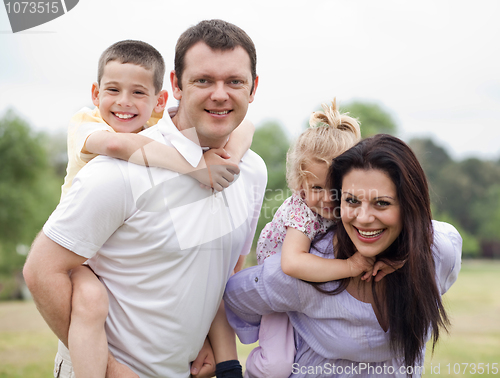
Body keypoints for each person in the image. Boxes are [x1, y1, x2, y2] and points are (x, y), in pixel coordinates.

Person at [23, 19, 266, 378]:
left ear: (253, 87)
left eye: (234, 81)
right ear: (176, 85)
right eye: (203, 80)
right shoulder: (117, 172)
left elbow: (224, 270)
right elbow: (41, 271)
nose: (220, 94)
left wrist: (211, 344)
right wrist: (109, 368)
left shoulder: (253, 171)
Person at [224, 134, 462, 377]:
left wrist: (406, 255)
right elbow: (231, 296)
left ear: (409, 204)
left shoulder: (438, 253)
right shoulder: (306, 269)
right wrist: (224, 361)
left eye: (381, 203)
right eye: (352, 201)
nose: (364, 217)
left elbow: (440, 237)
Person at [245, 99, 388, 378]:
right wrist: (350, 267)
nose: (327, 198)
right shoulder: (301, 211)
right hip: (279, 294)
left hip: (310, 295)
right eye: (317, 187)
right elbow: (292, 264)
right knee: (277, 366)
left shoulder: (352, 207)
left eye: (336, 187)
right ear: (300, 183)